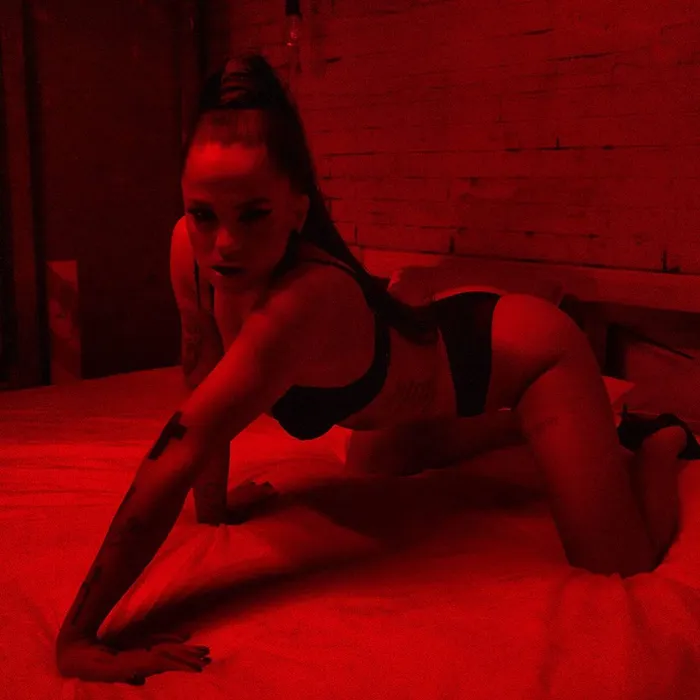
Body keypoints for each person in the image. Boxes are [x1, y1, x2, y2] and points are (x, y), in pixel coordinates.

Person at [55, 52, 699, 685]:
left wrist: (79, 636)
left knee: (618, 563)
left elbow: (183, 440)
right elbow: (201, 368)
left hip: (529, 353)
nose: (224, 242)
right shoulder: (189, 250)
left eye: (254, 214)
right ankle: (529, 430)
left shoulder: (302, 303)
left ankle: (657, 440)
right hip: (415, 372)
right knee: (374, 464)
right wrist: (216, 508)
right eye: (204, 214)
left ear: (297, 210)